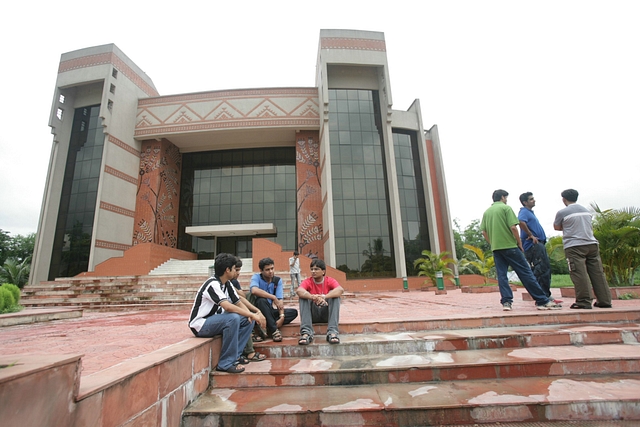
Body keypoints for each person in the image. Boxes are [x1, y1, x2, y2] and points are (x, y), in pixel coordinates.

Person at [480, 189, 562, 311]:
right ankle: (542, 300)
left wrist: (492, 243)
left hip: (497, 248)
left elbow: (484, 231)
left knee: (502, 276)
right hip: (510, 246)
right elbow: (513, 227)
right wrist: (519, 243)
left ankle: (506, 302)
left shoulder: (487, 212)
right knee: (526, 273)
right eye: (505, 197)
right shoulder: (506, 208)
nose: (506, 200)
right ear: (502, 197)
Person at [188, 253, 261, 374]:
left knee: (247, 320)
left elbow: (238, 302)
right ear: (227, 270)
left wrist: (250, 315)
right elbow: (228, 306)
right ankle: (225, 363)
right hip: (201, 325)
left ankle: (235, 357)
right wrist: (252, 314)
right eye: (234, 268)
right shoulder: (212, 284)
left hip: (215, 321)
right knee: (233, 318)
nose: (235, 271)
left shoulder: (227, 284)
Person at [553, 189, 612, 309]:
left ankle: (584, 301)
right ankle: (605, 300)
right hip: (592, 243)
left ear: (563, 199)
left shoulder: (562, 212)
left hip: (574, 246)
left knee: (579, 273)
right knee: (597, 273)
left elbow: (557, 227)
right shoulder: (586, 211)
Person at [518, 192, 560, 303]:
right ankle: (542, 297)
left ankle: (545, 294)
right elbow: (521, 222)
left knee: (544, 269)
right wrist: (530, 235)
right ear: (525, 202)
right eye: (531, 199)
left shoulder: (530, 213)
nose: (534, 200)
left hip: (538, 244)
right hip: (533, 245)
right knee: (540, 270)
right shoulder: (524, 212)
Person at [296, 258, 344, 345]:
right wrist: (313, 297)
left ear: (323, 271)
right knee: (303, 296)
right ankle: (306, 333)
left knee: (335, 296)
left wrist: (324, 297)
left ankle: (332, 332)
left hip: (326, 314)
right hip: (312, 315)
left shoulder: (329, 280)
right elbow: (299, 291)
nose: (313, 271)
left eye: (316, 269)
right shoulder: (308, 281)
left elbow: (340, 290)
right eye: (312, 269)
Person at [249, 257, 298, 342]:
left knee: (293, 312)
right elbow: (254, 290)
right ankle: (274, 331)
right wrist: (272, 297)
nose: (271, 271)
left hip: (269, 311)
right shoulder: (256, 277)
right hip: (258, 310)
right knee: (261, 300)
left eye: (272, 268)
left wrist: (282, 317)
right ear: (261, 270)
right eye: (267, 269)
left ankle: (267, 323)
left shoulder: (277, 280)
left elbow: (280, 301)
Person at [231, 259, 267, 361]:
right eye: (236, 270)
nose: (238, 273)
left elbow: (241, 297)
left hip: (235, 306)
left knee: (251, 296)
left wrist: (256, 312)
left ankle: (255, 328)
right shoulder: (218, 283)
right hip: (221, 314)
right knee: (244, 318)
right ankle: (249, 351)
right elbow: (229, 305)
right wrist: (249, 314)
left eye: (238, 270)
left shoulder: (232, 282)